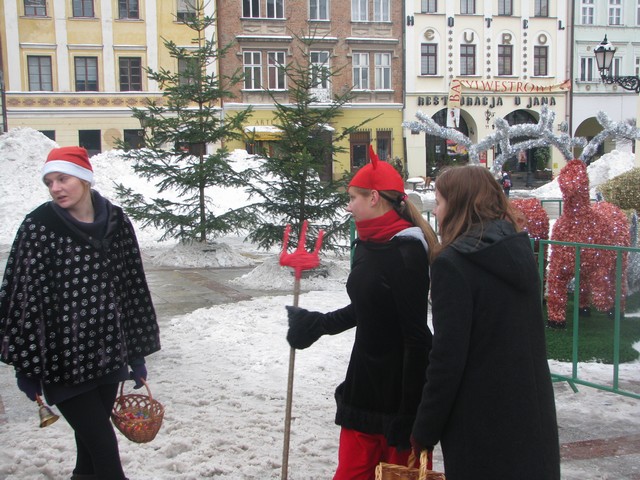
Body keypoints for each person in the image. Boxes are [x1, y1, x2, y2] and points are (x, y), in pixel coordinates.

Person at [0, 146, 161, 480]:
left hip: (107, 355)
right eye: (49, 182)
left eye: (63, 179)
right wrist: (26, 367)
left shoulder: (117, 222)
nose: (55, 188)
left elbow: (131, 289)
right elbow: (21, 296)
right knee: (103, 447)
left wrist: (136, 354)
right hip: (61, 362)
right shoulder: (39, 226)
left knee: (89, 450)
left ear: (85, 179)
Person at [286, 146, 439, 480]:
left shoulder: (406, 252)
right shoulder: (370, 244)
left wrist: (410, 413)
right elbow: (369, 306)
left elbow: (416, 337)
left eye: (353, 197)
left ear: (374, 197)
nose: (348, 205)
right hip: (364, 385)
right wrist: (318, 324)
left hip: (397, 394)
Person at [410, 165, 560, 480]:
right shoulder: (518, 249)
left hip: (481, 425)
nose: (435, 212)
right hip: (530, 417)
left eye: (439, 202)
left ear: (459, 205)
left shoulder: (453, 265)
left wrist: (424, 429)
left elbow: (447, 358)